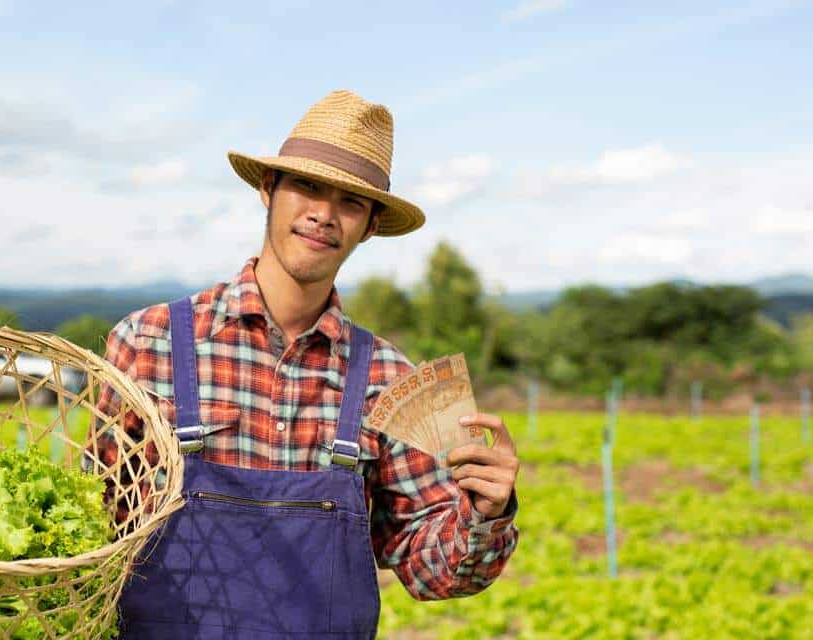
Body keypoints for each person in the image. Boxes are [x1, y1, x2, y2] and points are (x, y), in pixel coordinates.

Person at [92, 89, 520, 639]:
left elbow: (431, 572)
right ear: (268, 190)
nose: (323, 213)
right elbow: (100, 526)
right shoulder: (145, 341)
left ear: (369, 226)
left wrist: (486, 512)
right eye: (308, 187)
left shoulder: (395, 379)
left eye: (350, 201)